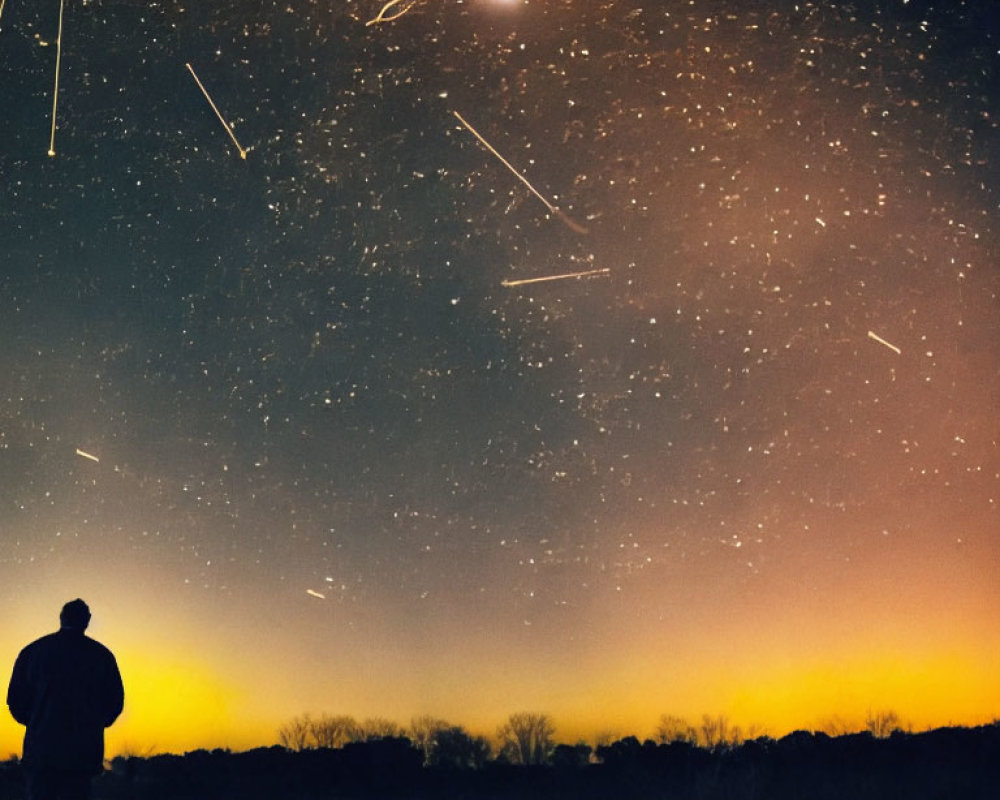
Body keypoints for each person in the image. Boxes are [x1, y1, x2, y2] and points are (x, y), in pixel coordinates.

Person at [7, 599, 124, 800]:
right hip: (81, 755)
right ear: (87, 621)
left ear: (61, 618)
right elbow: (114, 702)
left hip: (42, 752)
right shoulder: (101, 656)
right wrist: (93, 725)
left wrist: (37, 723)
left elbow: (15, 700)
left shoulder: (33, 651)